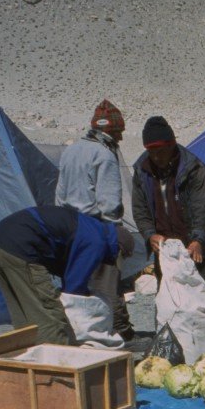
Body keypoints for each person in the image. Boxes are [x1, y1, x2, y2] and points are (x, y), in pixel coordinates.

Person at [0, 206, 134, 345]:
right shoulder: (98, 241)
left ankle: (29, 359)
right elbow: (73, 288)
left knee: (24, 314)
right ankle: (58, 366)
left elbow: (65, 268)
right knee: (49, 314)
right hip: (22, 248)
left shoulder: (91, 227)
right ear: (119, 250)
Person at [55, 98, 136, 340]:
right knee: (107, 283)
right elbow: (109, 202)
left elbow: (59, 193)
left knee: (78, 281)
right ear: (111, 131)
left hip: (69, 225)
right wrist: (113, 235)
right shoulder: (104, 155)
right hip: (96, 226)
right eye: (119, 132)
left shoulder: (70, 150)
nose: (121, 138)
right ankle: (118, 332)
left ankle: (81, 331)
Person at [131, 116, 205, 281]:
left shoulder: (193, 168)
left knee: (198, 296)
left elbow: (200, 208)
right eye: (151, 152)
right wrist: (149, 235)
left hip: (191, 245)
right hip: (163, 248)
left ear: (172, 145)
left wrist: (198, 240)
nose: (156, 157)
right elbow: (140, 209)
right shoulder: (142, 171)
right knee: (167, 297)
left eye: (161, 152)